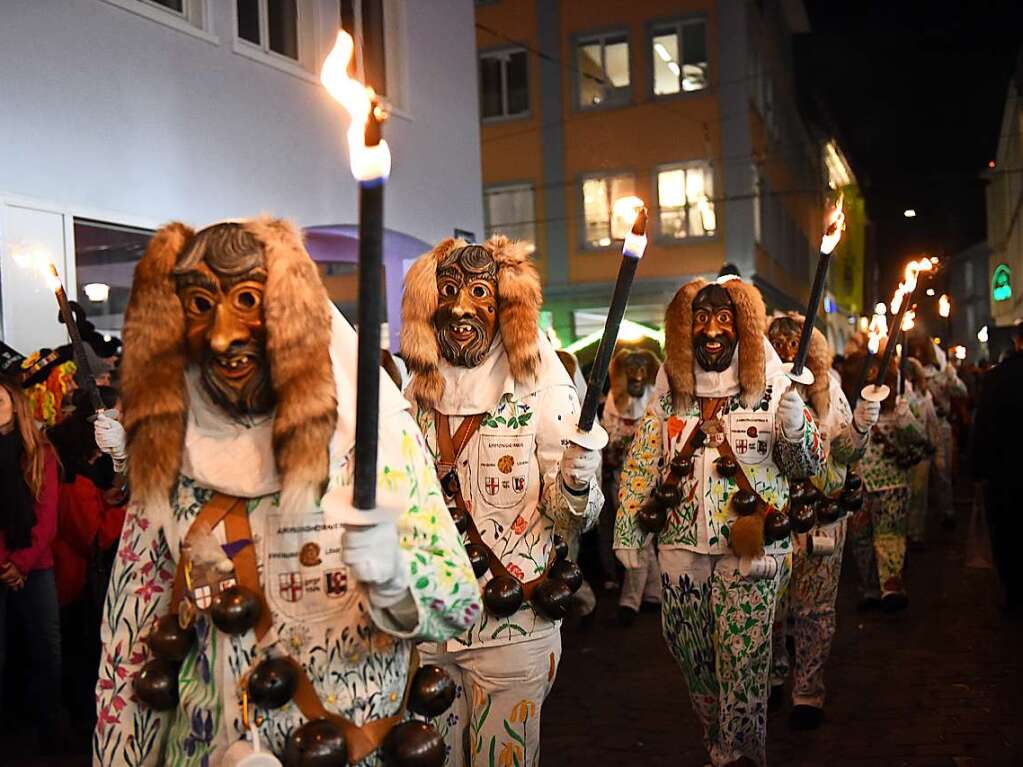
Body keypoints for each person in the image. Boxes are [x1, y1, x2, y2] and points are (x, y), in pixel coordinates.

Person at [93, 219, 480, 766]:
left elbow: (458, 605)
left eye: (247, 299)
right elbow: (128, 646)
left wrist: (396, 581)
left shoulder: (373, 442)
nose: (224, 334)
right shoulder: (168, 459)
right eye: (202, 305)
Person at [401, 236, 602, 767]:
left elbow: (570, 516)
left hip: (512, 631)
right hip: (431, 631)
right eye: (448, 290)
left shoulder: (541, 387)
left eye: (480, 292)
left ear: (507, 306)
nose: (462, 307)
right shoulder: (414, 392)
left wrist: (578, 480)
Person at [615, 276, 824, 767]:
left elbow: (808, 467)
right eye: (701, 319)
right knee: (690, 654)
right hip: (680, 552)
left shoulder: (772, 395)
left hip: (750, 552)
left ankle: (739, 755)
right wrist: (628, 527)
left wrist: (796, 428)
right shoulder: (668, 402)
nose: (711, 331)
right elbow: (642, 466)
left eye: (724, 319)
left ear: (744, 331)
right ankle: (720, 739)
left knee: (744, 660)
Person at [766, 315, 877, 731]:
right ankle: (774, 674)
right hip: (773, 519)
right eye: (776, 341)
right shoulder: (759, 390)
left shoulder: (830, 390)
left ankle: (808, 690)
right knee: (772, 608)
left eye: (793, 341)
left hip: (822, 521)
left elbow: (845, 453)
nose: (785, 347)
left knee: (814, 609)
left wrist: (861, 425)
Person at [0, 376, 62, 752]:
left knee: (47, 647)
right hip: (6, 563)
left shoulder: (39, 451)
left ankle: (50, 727)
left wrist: (20, 563)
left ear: (14, 402)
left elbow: (48, 515)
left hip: (35, 566)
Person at [840, 349, 926, 612]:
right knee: (860, 539)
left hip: (892, 482)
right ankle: (869, 588)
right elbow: (841, 446)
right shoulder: (847, 404)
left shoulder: (901, 400)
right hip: (858, 484)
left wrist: (906, 420)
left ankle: (891, 587)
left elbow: (919, 437)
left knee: (890, 536)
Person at [600, 347, 661, 626]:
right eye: (631, 368)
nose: (636, 375)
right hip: (618, 480)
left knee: (640, 535)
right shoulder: (613, 401)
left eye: (642, 368)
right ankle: (654, 593)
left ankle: (630, 601)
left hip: (648, 480)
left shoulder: (656, 400)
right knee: (641, 538)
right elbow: (607, 438)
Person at [972, 321, 1023, 610]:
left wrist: (978, 470)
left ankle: (1015, 592)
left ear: (1017, 343)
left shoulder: (996, 379)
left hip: (1005, 474)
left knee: (1007, 535)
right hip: (1006, 470)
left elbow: (984, 427)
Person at [902, 358, 939, 547]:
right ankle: (908, 533)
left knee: (918, 494)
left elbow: (932, 421)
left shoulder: (924, 395)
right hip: (905, 451)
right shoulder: (901, 393)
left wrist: (934, 443)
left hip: (921, 450)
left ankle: (915, 533)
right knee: (909, 494)